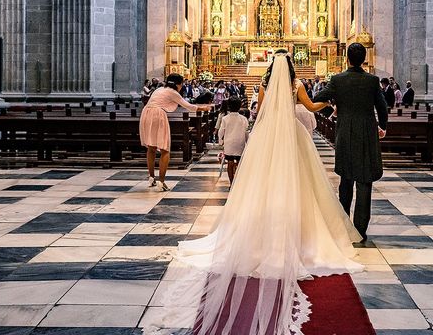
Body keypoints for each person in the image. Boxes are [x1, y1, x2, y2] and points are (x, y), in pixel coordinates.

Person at [144, 52, 362, 335]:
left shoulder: (264, 83)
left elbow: (258, 110)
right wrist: (329, 101)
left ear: (271, 67)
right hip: (291, 135)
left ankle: (261, 224)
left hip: (267, 134)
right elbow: (310, 105)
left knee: (263, 179)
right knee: (301, 180)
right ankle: (300, 228)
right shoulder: (295, 85)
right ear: (292, 68)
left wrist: (258, 129)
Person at [314, 43, 388, 242]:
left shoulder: (338, 80)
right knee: (365, 181)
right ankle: (360, 230)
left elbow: (317, 99)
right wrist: (382, 127)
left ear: (347, 59)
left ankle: (344, 225)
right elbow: (382, 107)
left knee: (346, 181)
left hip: (345, 133)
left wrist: (332, 113)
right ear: (363, 59)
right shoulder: (372, 81)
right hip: (367, 134)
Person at [139, 73, 212, 191]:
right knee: (165, 149)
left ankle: (151, 177)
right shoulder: (173, 92)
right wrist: (204, 108)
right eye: (181, 84)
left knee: (151, 147)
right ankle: (161, 182)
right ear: (178, 84)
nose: (182, 86)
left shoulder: (159, 89)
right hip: (157, 114)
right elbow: (187, 105)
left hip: (146, 113)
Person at [218, 96, 249, 185]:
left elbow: (221, 131)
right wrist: (248, 142)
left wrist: (220, 141)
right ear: (240, 106)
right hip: (240, 143)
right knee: (239, 163)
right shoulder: (243, 119)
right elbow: (246, 132)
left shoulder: (225, 118)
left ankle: (231, 183)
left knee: (230, 163)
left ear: (229, 106)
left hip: (229, 144)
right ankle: (238, 183)